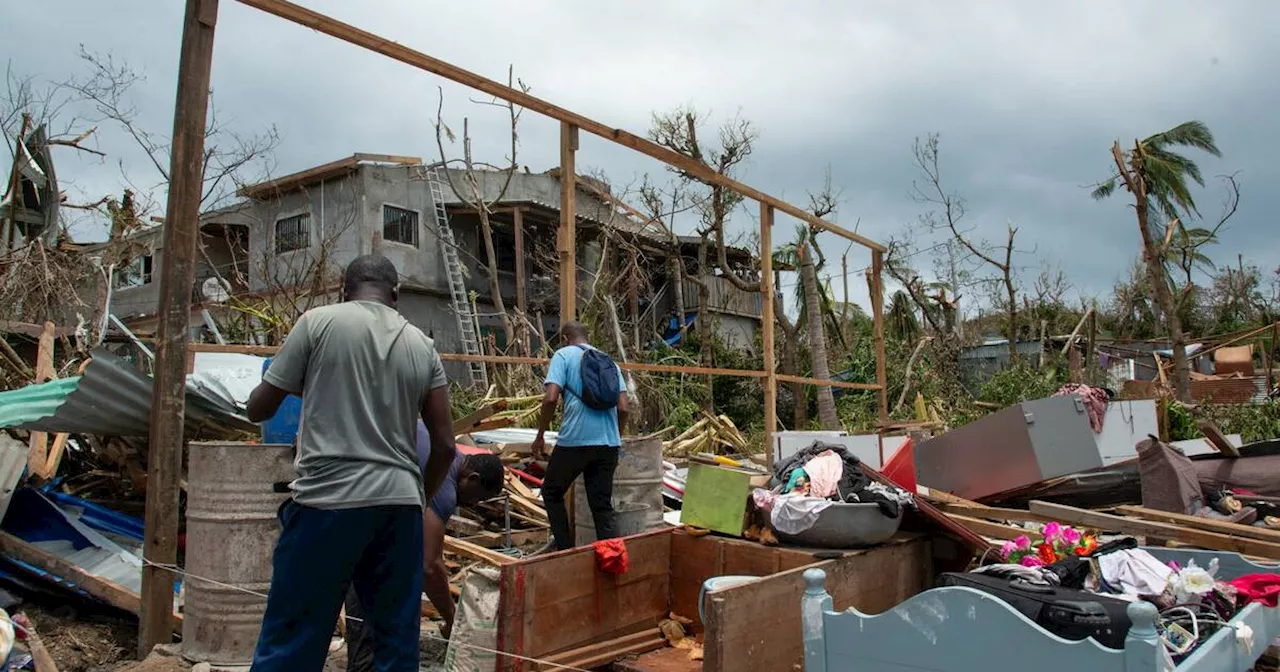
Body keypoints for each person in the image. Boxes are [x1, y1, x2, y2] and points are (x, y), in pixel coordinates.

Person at [245, 254, 457, 672]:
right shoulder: (421, 344)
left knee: (294, 636)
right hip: (397, 509)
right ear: (396, 293)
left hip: (327, 501)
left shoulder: (317, 323)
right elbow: (446, 445)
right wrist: (420, 498)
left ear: (345, 289)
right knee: (395, 643)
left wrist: (303, 380)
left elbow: (259, 409)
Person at [344, 420, 505, 672]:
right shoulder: (446, 484)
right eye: (479, 497)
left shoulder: (435, 439)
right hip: (353, 493)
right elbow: (430, 566)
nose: (473, 504)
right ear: (471, 478)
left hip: (352, 470)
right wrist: (452, 619)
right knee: (372, 577)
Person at [531, 322, 629, 550]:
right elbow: (624, 408)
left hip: (575, 440)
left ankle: (565, 551)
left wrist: (540, 435)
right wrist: (615, 436)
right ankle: (613, 562)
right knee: (602, 505)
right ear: (587, 337)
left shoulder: (563, 356)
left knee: (552, 491)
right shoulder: (609, 361)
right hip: (608, 444)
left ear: (565, 338)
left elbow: (550, 399)